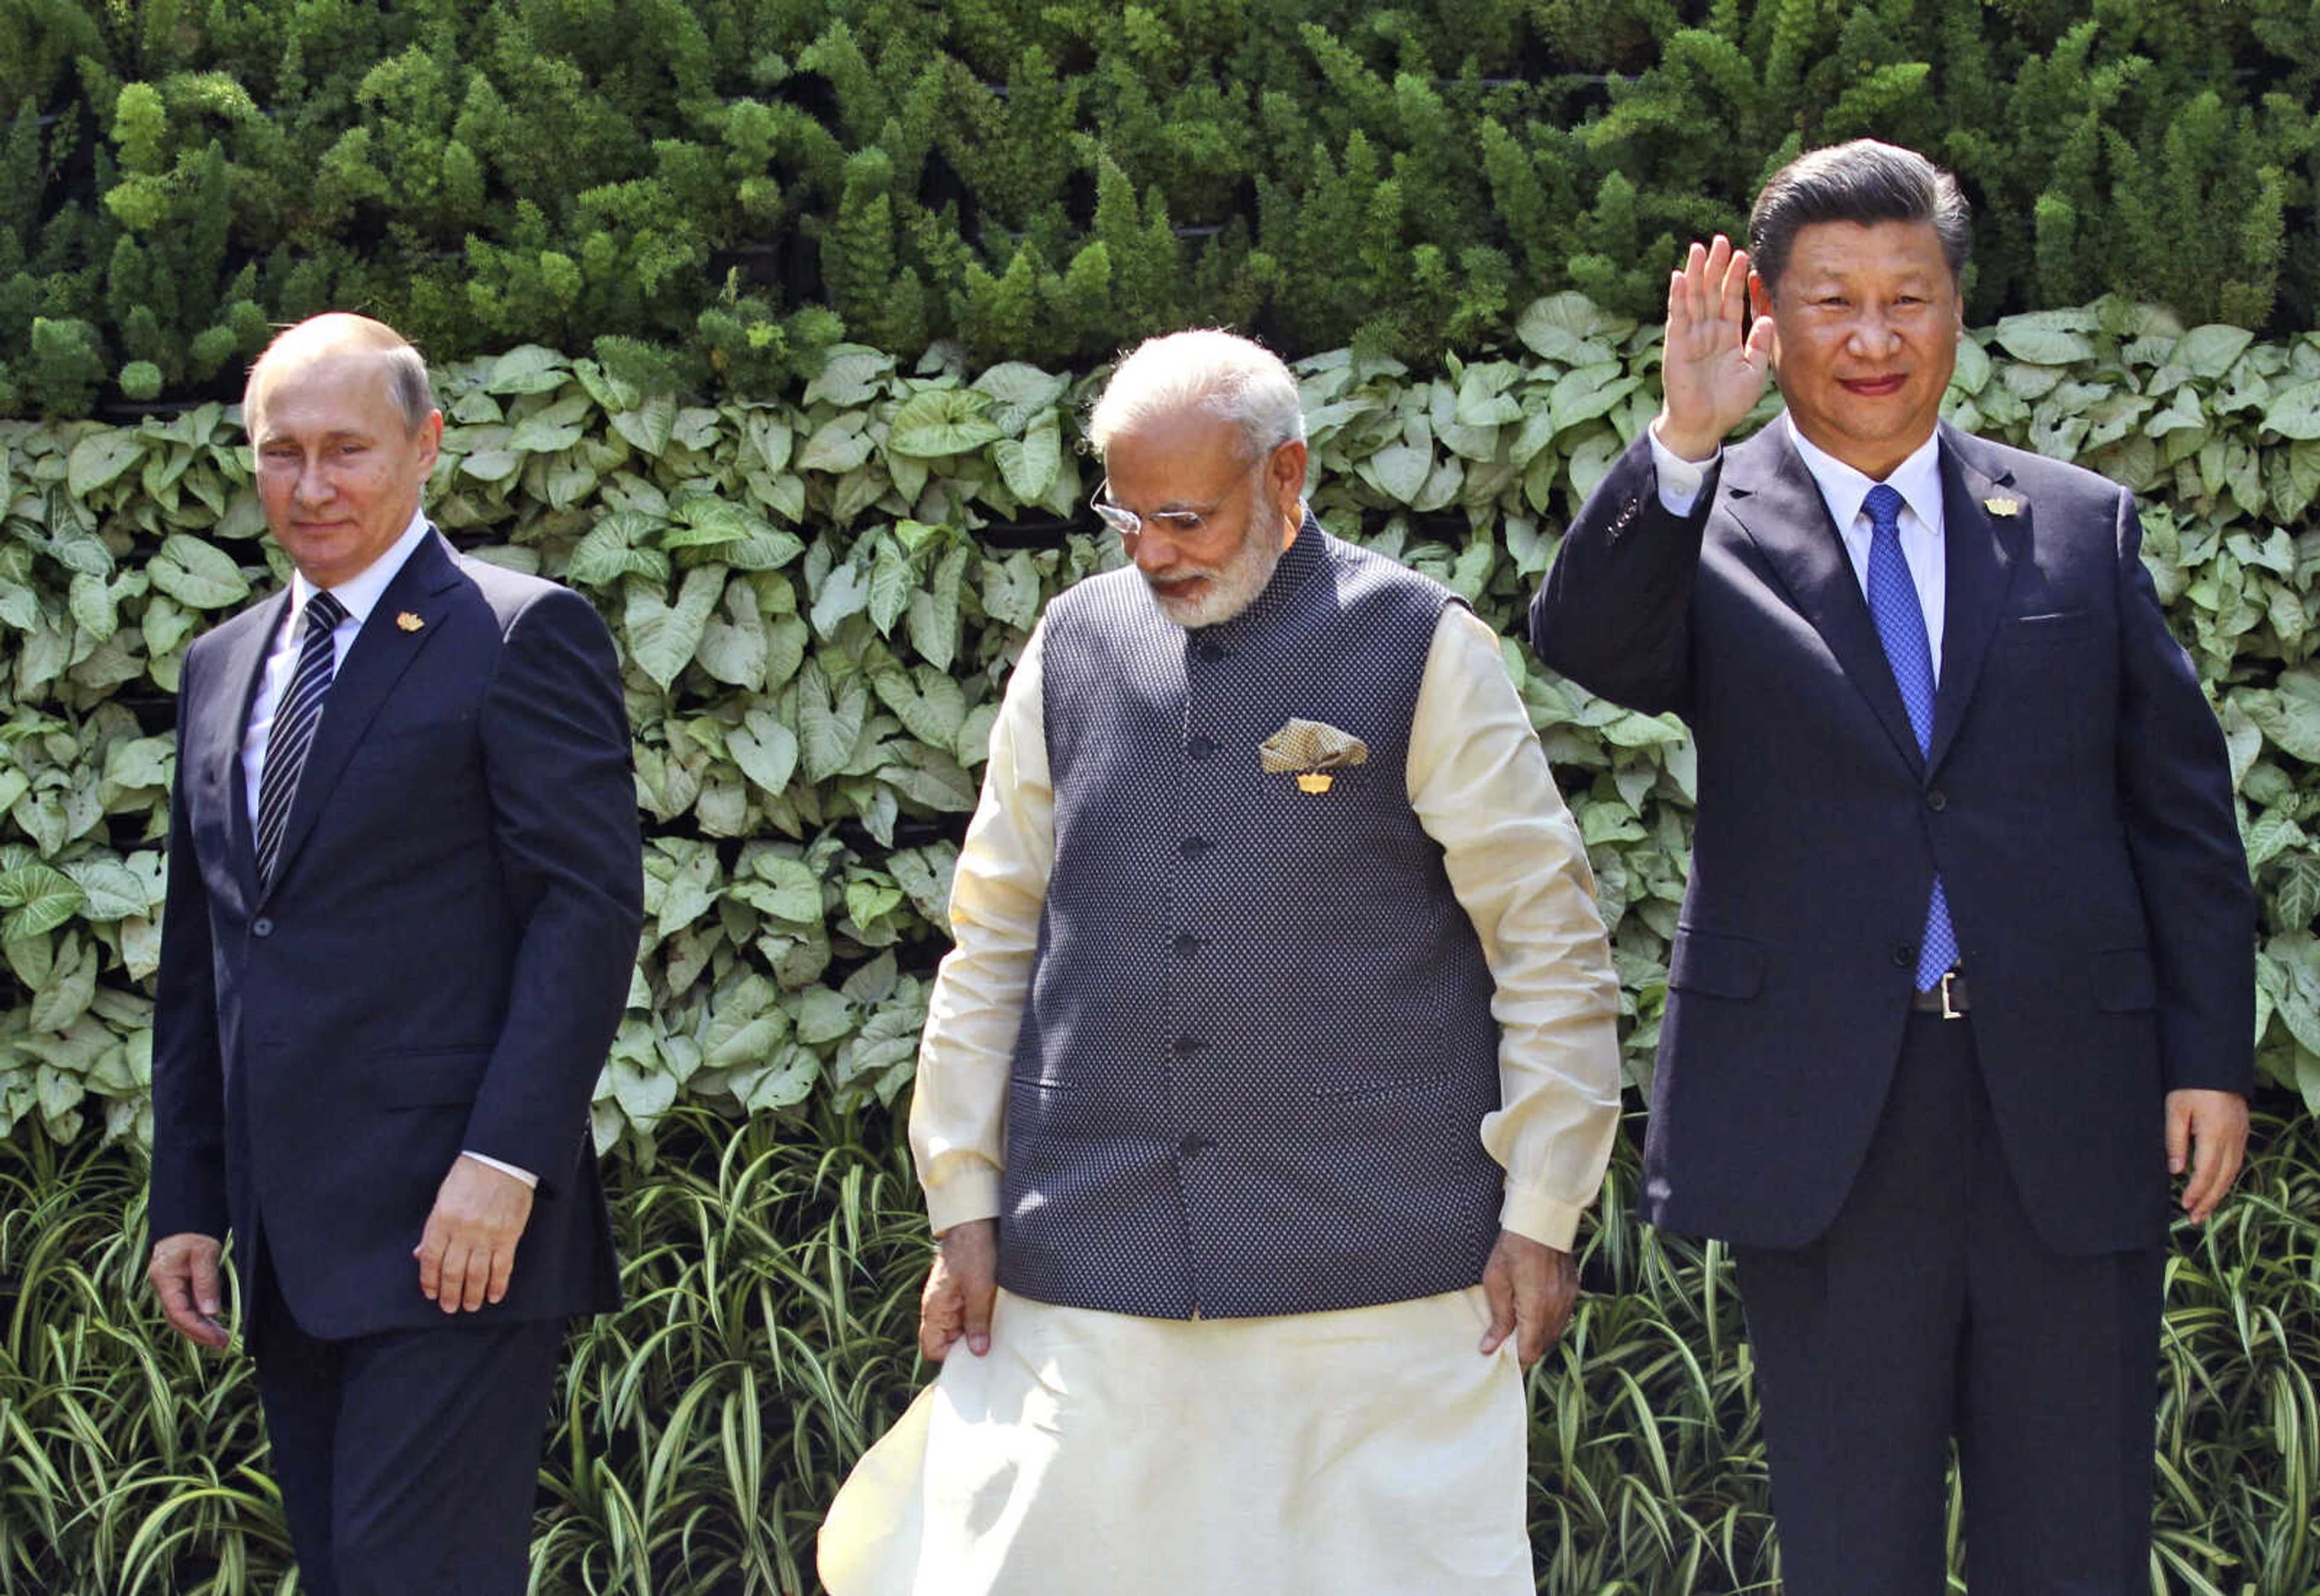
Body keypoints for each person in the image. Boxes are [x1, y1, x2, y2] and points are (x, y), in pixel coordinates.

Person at [1530, 140, 2254, 1593]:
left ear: (1956, 314)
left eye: (1907, 297)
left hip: (2066, 1096)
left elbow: (2178, 811)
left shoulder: (2073, 523)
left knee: (2079, 1541)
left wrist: (2209, 1057)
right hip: (1831, 1116)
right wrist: (1679, 442)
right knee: (1855, 1543)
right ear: (1770, 320)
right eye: (1832, 301)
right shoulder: (1709, 522)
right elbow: (1586, 645)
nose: (1872, 338)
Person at [818, 329, 1623, 1594]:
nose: (1152, 552)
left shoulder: (1422, 645)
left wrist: (1544, 1209)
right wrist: (961, 1198)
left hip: (1380, 1277)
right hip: (1089, 1265)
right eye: (1125, 515)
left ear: (1287, 476)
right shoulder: (1069, 651)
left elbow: (1549, 939)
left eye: (1184, 516)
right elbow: (989, 945)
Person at [144, 313, 643, 1595]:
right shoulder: (220, 663)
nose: (311, 487)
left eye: (347, 450)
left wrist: (505, 1162)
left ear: (427, 446)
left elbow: (585, 913)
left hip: (457, 1230)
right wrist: (190, 1198)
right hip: (285, 1238)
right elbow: (210, 943)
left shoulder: (519, 634)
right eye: (281, 452)